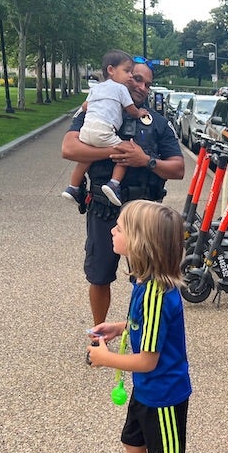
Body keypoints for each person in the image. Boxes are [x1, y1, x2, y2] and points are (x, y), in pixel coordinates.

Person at [84, 200, 206, 453]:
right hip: (148, 389)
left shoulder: (153, 292)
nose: (112, 230)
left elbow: (148, 360)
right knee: (134, 444)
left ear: (141, 243)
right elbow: (149, 327)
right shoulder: (146, 283)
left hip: (163, 392)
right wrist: (121, 327)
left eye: (120, 227)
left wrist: (105, 358)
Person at [61, 55, 185, 326]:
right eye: (136, 78)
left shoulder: (158, 123)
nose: (141, 86)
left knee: (145, 279)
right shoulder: (94, 110)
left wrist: (146, 161)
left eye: (147, 84)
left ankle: (140, 332)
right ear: (122, 77)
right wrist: (114, 151)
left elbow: (178, 169)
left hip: (144, 215)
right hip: (103, 211)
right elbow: (68, 148)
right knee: (99, 275)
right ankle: (98, 333)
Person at [62, 50, 150, 207]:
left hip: (87, 131)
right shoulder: (121, 89)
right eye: (127, 71)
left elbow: (85, 106)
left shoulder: (96, 88)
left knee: (85, 159)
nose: (130, 75)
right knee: (127, 151)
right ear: (111, 70)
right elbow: (131, 110)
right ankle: (113, 184)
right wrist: (140, 113)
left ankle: (72, 187)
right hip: (104, 130)